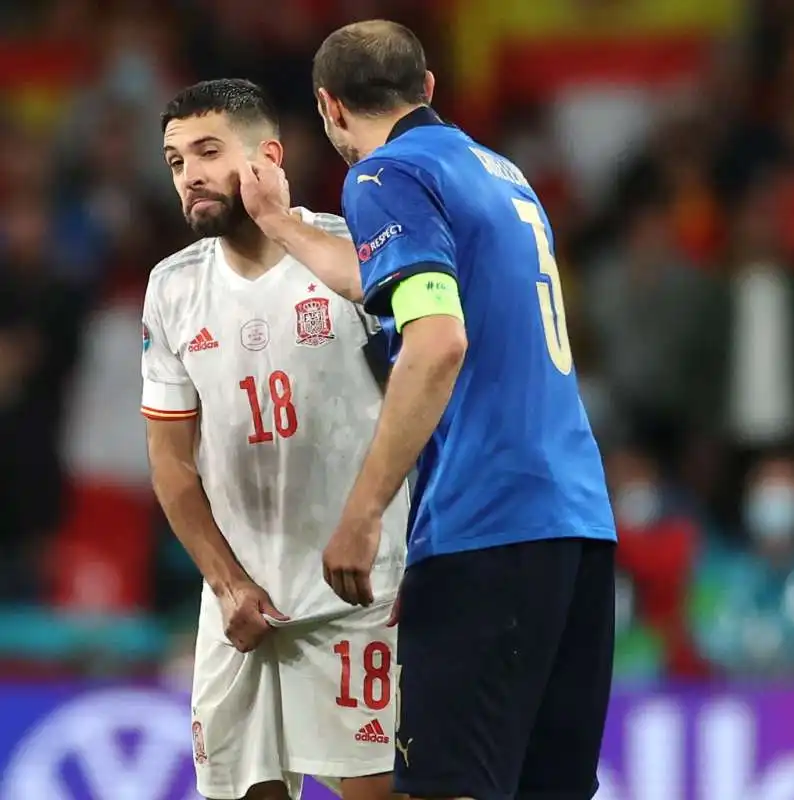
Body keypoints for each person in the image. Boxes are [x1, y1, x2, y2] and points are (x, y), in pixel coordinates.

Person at [240, 21, 618, 800]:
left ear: (328, 107)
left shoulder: (383, 177)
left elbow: (437, 339)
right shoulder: (501, 174)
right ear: (429, 87)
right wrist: (281, 224)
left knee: (445, 788)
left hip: (485, 523)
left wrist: (363, 510)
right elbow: (396, 279)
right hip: (576, 527)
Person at [141, 78, 407, 800]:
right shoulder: (172, 289)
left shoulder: (352, 252)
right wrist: (226, 585)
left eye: (207, 151)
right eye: (174, 161)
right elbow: (170, 465)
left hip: (357, 597)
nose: (190, 174)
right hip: (240, 613)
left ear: (268, 157)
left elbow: (431, 404)